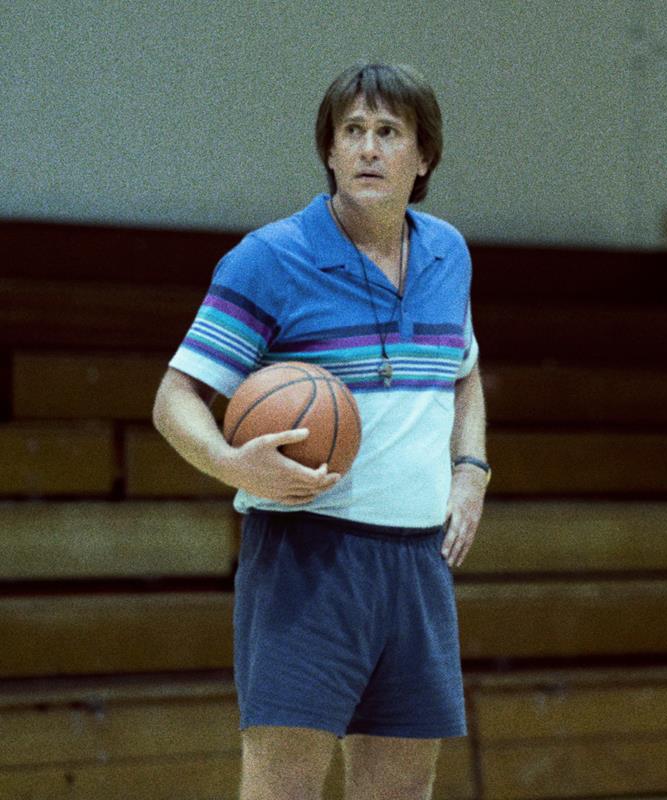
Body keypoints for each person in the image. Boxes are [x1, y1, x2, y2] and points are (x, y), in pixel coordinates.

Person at [152, 63, 488, 800]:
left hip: (417, 562)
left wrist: (470, 470)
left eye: (389, 132)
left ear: (423, 155)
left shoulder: (447, 253)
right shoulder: (270, 257)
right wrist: (232, 463)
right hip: (305, 558)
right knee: (285, 786)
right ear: (330, 152)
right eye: (353, 132)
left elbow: (464, 373)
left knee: (402, 789)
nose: (369, 148)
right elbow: (174, 397)